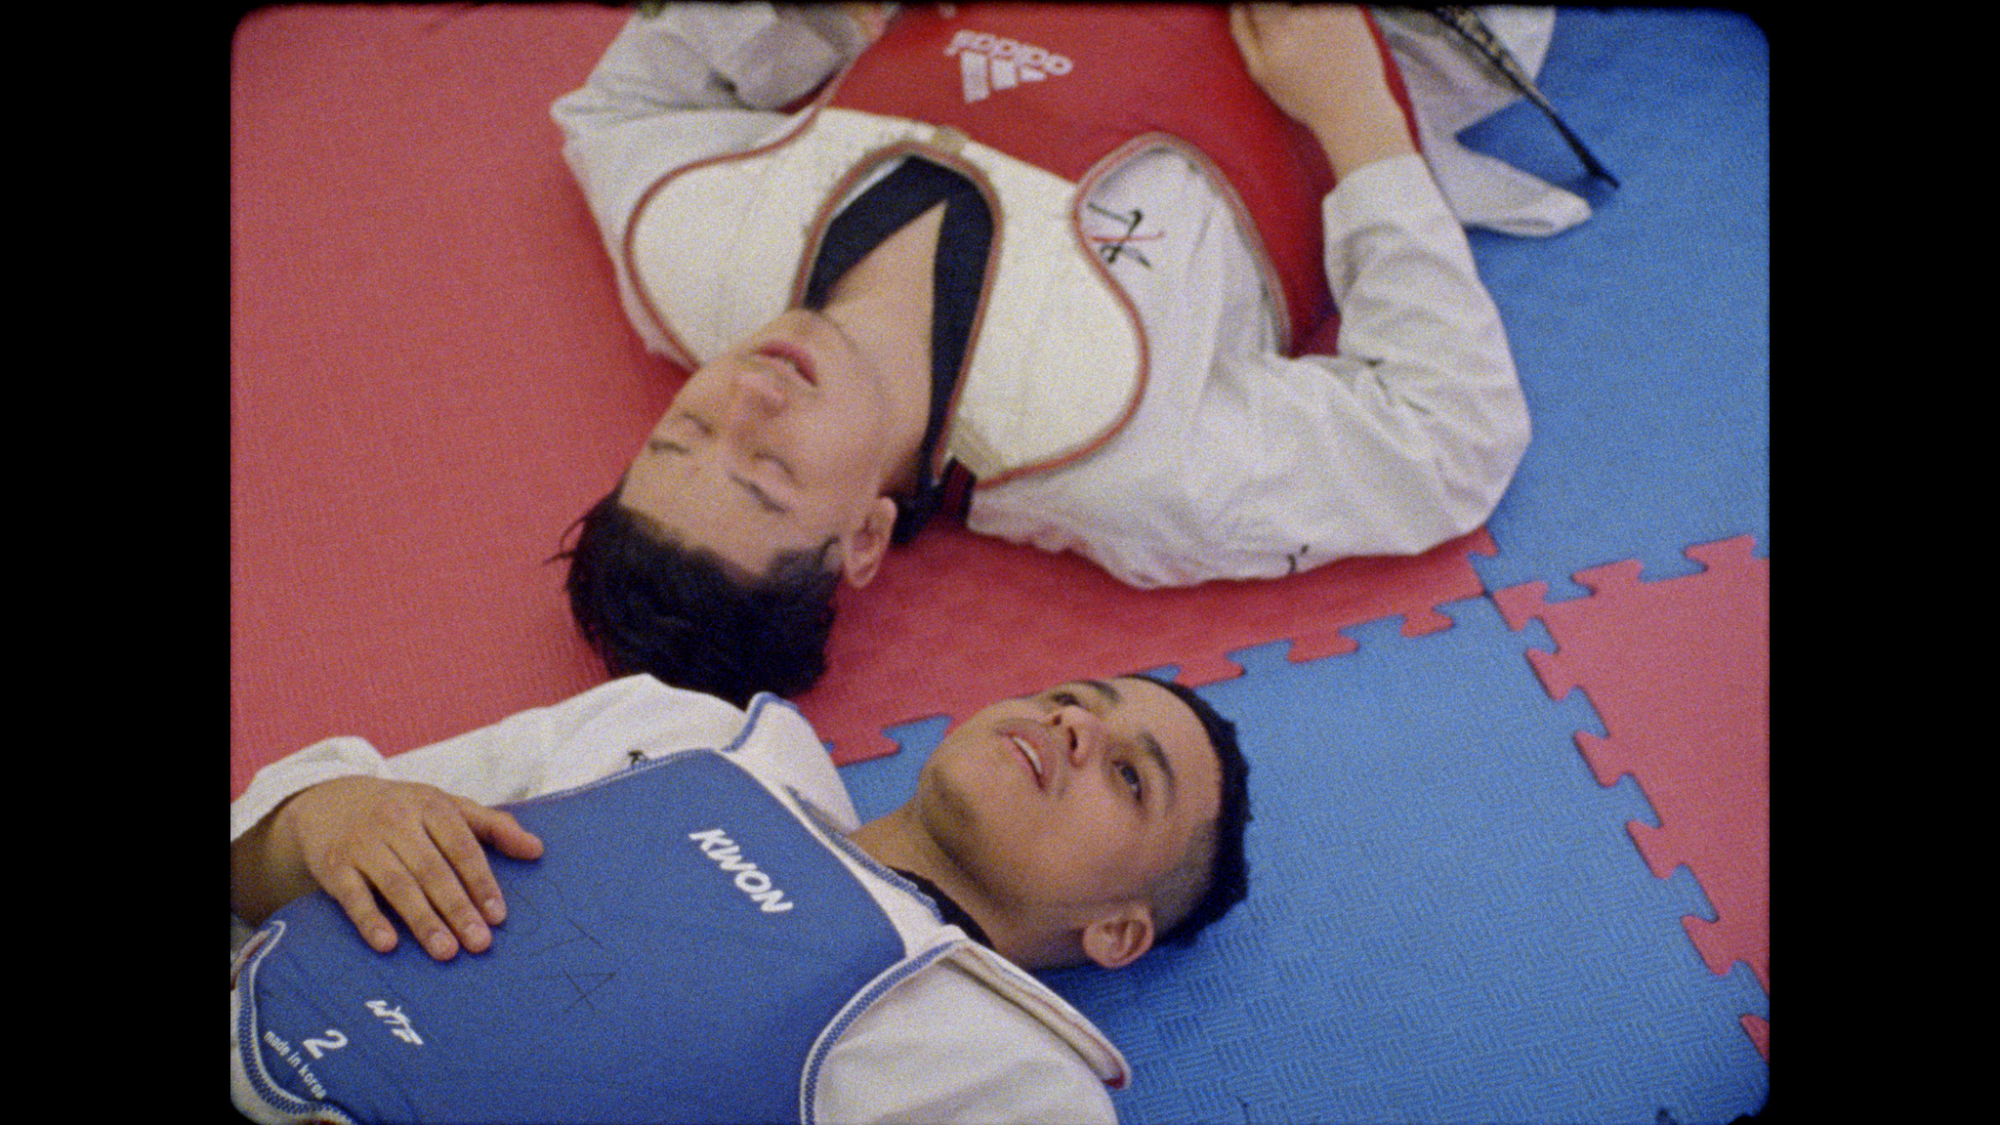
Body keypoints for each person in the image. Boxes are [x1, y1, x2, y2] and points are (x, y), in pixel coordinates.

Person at [553, 3, 1547, 705]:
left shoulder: (694, 249)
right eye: (769, 470)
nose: (747, 399)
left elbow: (612, 109)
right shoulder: (1119, 463)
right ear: (861, 541)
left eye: (684, 430)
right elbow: (1448, 437)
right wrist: (1358, 117)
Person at [229, 670, 1250, 1123]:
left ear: (1117, 932)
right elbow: (251, 862)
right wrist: (326, 815)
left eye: (1130, 776)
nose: (1074, 726)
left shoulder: (1012, 1083)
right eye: (1071, 698)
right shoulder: (685, 730)